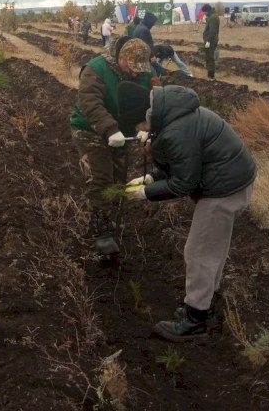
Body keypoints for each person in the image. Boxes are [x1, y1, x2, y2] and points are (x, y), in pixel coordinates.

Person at [123, 84, 256, 342]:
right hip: (233, 180)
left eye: (136, 126)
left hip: (224, 189)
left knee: (198, 251)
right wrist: (151, 177)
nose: (138, 132)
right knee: (212, 247)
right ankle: (207, 297)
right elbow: (182, 163)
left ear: (143, 118)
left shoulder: (175, 131)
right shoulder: (174, 114)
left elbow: (184, 183)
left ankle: (195, 320)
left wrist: (146, 193)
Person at [69, 37, 158, 255]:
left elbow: (157, 98)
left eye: (141, 69)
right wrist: (110, 129)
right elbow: (91, 103)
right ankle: (101, 230)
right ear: (120, 58)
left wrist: (148, 126)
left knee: (119, 177)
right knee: (101, 178)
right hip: (90, 129)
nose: (136, 74)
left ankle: (113, 218)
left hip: (123, 132)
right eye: (132, 68)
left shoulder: (145, 71)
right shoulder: (95, 69)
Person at [202, 3, 220, 79]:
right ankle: (210, 74)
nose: (204, 14)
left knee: (210, 57)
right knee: (209, 57)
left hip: (211, 41)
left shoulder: (212, 18)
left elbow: (213, 31)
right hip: (211, 40)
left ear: (207, 11)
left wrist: (208, 41)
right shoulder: (212, 16)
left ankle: (211, 75)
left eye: (204, 12)